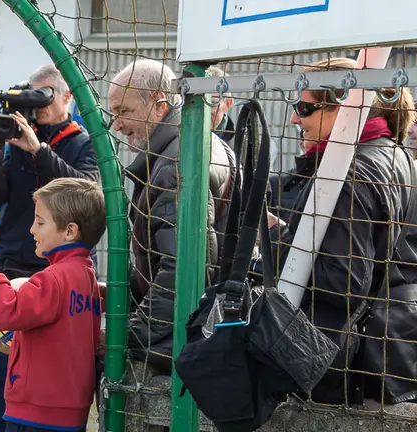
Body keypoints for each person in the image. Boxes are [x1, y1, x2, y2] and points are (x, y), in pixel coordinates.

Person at [268, 57, 417, 405]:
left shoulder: (347, 174)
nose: (294, 118)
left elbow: (344, 281)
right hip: (391, 353)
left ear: (345, 107)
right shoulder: (395, 154)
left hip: (351, 366)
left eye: (304, 107)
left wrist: (276, 240)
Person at [0, 63, 99, 432]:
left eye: (43, 97)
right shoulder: (16, 136)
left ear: (67, 96)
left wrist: (39, 149)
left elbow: (87, 193)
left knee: (47, 362)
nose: (37, 108)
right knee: (3, 368)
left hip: (55, 270)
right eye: (31, 96)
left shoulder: (84, 142)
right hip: (13, 262)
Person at [107, 59, 235, 372]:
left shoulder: (174, 165)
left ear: (158, 104)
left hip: (184, 341)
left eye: (123, 111)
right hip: (202, 329)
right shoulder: (203, 143)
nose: (117, 125)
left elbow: (181, 268)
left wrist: (133, 334)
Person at [0, 177, 106, 432]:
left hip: (35, 414)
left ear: (69, 231)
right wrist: (20, 347)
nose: (32, 230)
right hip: (71, 413)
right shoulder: (87, 276)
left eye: (40, 222)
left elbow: (6, 311)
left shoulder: (53, 279)